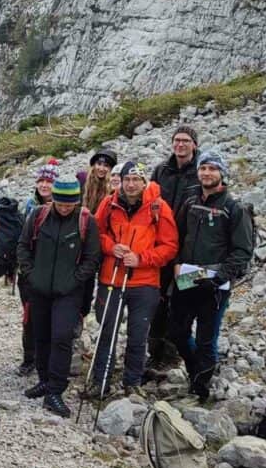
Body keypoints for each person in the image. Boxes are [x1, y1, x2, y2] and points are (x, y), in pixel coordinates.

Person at [168, 151, 255, 402]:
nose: (207, 173)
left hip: (215, 284)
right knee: (177, 332)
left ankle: (200, 388)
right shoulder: (190, 201)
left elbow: (242, 251)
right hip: (185, 278)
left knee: (207, 338)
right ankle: (198, 371)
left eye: (212, 169)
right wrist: (175, 264)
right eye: (203, 168)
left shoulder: (234, 208)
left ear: (222, 173)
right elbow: (177, 236)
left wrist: (218, 279)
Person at [90, 161, 178, 397]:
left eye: (136, 180)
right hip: (112, 278)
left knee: (138, 335)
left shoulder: (159, 207)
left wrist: (142, 259)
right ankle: (100, 381)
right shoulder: (109, 203)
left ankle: (132, 382)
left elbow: (169, 246)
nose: (130, 184)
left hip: (145, 282)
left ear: (143, 182)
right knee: (107, 331)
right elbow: (95, 234)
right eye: (127, 179)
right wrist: (110, 247)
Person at [17, 175, 101, 417]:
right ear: (53, 200)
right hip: (39, 289)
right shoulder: (38, 216)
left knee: (62, 336)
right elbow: (23, 247)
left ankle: (55, 390)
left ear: (77, 201)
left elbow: (92, 258)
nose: (65, 207)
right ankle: (44, 379)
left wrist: (73, 281)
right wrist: (31, 274)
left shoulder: (86, 221)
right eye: (60, 203)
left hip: (69, 292)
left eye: (69, 204)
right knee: (40, 335)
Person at [147, 125, 201, 373]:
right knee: (156, 300)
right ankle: (154, 351)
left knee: (183, 299)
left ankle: (174, 352)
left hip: (189, 251)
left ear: (194, 145)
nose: (180, 145)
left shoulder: (202, 172)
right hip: (161, 246)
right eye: (177, 140)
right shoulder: (161, 170)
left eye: (186, 141)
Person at [15, 158, 59, 376]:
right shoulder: (30, 206)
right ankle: (29, 357)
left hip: (54, 273)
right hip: (30, 273)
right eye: (41, 181)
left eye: (48, 182)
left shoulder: (66, 208)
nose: (44, 185)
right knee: (29, 316)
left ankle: (47, 359)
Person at [82, 148, 117, 213]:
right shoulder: (82, 179)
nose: (101, 169)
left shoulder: (114, 187)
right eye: (99, 164)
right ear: (94, 165)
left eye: (106, 166)